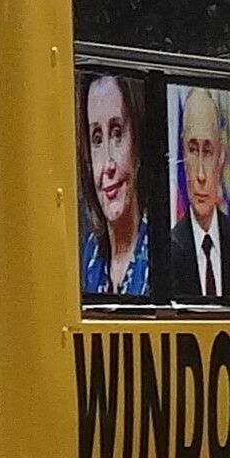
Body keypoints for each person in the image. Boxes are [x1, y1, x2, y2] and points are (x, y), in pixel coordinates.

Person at [157, 83, 230, 306]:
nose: (201, 175)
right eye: (193, 150)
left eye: (208, 151)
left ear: (221, 158)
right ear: (182, 154)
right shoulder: (168, 249)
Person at [78, 70, 152, 298]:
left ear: (137, 145)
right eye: (97, 139)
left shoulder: (166, 252)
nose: (108, 164)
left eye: (117, 133)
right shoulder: (90, 255)